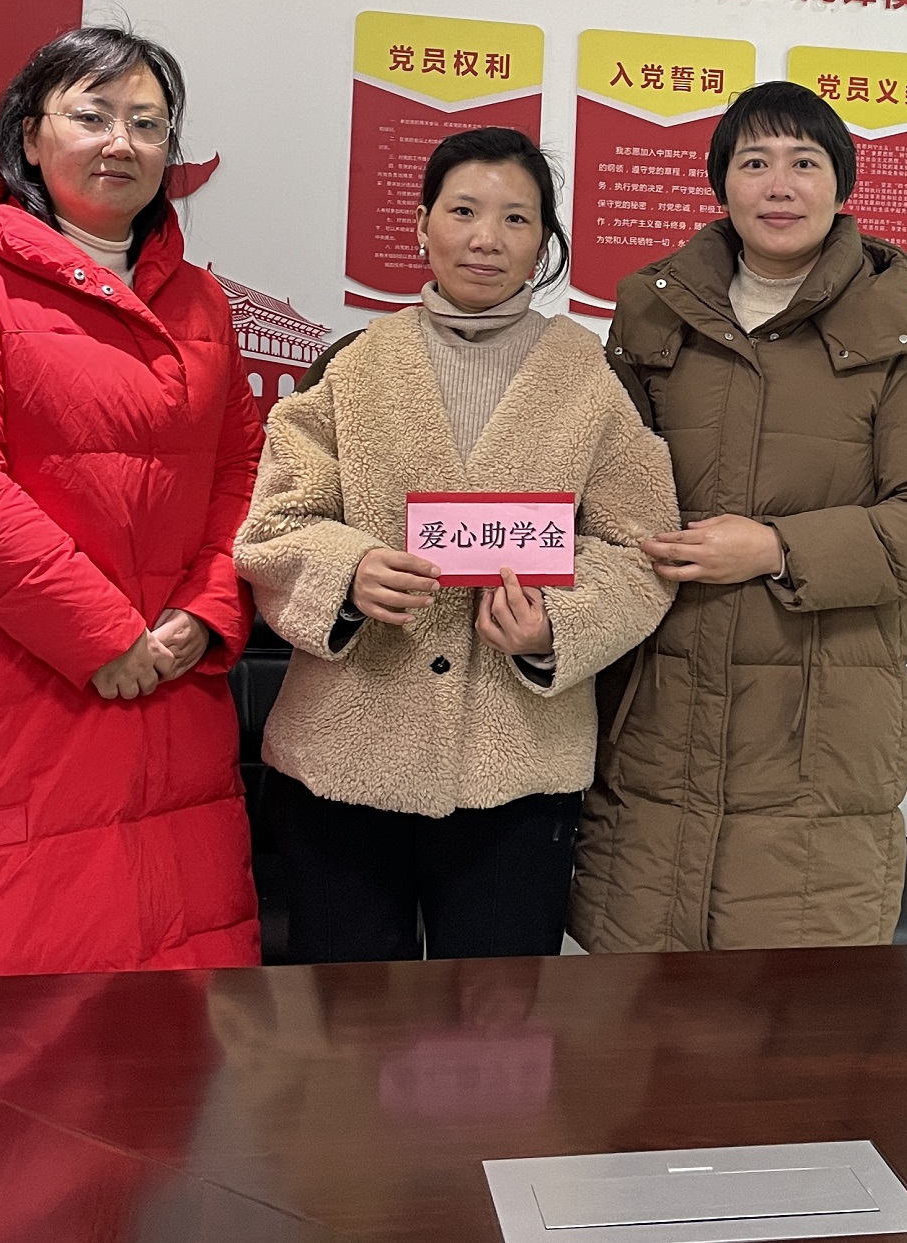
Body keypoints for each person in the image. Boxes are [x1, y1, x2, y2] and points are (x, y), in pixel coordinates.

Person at [0, 25, 264, 979]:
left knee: (170, 1026)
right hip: (11, 706)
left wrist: (208, 610)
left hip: (170, 697)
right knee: (9, 1032)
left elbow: (244, 471)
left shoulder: (202, 303)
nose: (122, 141)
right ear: (30, 136)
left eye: (148, 123)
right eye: (93, 115)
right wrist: (101, 635)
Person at [235, 127, 678, 963]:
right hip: (344, 759)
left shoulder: (593, 377)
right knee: (347, 1020)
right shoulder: (351, 365)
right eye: (464, 210)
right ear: (421, 224)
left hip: (520, 771)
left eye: (516, 219)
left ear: (544, 242)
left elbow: (639, 547)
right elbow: (275, 525)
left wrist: (556, 624)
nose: (487, 238)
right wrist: (346, 572)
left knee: (499, 1024)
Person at [570, 81, 907, 952]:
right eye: (754, 162)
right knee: (640, 1003)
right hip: (658, 709)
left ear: (842, 186)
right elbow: (601, 489)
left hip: (815, 725)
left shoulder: (899, 338)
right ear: (723, 184)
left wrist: (777, 547)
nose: (779, 184)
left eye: (805, 162)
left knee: (792, 1006)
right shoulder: (649, 314)